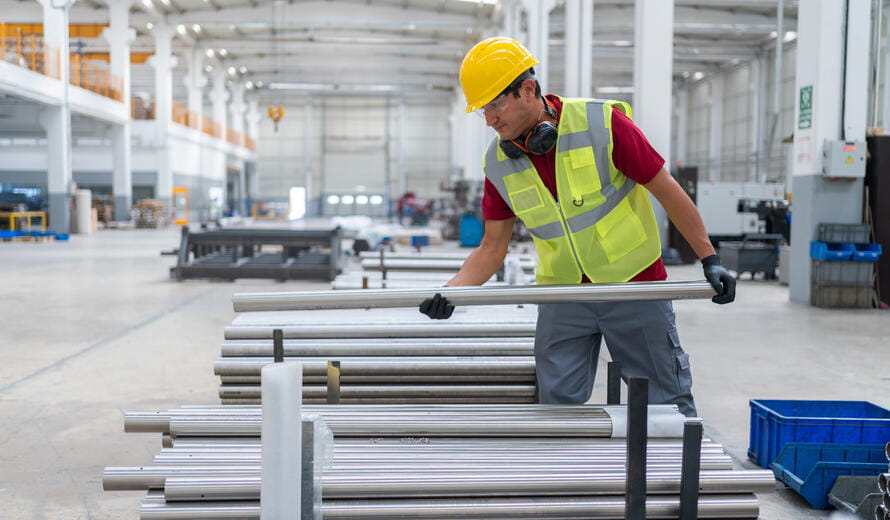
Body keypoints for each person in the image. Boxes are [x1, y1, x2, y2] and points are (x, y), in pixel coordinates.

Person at [418, 37, 736, 417]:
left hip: (634, 285)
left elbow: (667, 192)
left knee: (665, 406)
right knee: (555, 409)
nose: (490, 119)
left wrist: (709, 257)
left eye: (496, 104)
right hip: (562, 294)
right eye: (483, 110)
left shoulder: (601, 124)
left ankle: (675, 476)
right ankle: (567, 476)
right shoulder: (499, 163)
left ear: (528, 89)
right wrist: (452, 292)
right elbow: (491, 247)